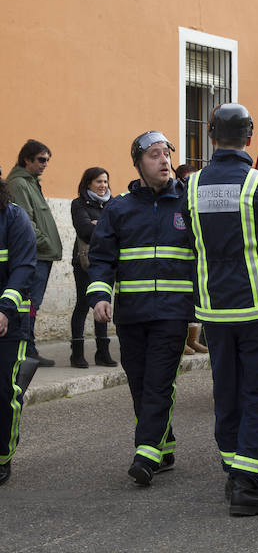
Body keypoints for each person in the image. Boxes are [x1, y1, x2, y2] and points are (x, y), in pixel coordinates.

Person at [183, 103, 258, 516]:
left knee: (225, 390)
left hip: (213, 308)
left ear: (211, 136)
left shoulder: (191, 187)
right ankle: (247, 484)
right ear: (249, 136)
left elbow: (191, 244)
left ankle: (233, 471)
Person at [87, 131, 194, 485]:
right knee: (139, 381)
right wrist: (100, 296)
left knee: (159, 381)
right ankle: (165, 445)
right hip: (132, 313)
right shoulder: (119, 208)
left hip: (173, 312)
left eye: (166, 154)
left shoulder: (187, 203)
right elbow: (101, 258)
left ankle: (146, 453)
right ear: (138, 163)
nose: (164, 161)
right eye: (154, 155)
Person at [7, 140, 62, 367]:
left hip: (42, 254)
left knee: (31, 304)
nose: (45, 164)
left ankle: (29, 347)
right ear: (26, 159)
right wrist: (46, 243)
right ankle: (26, 349)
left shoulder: (31, 182)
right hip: (35, 254)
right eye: (41, 159)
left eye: (48, 160)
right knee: (28, 304)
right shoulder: (19, 183)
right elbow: (26, 223)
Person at [0, 167, 37, 487]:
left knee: (3, 392)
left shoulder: (14, 218)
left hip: (7, 324)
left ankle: (2, 456)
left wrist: (4, 309)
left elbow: (24, 268)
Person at [70, 167, 116, 368]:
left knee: (102, 302)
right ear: (88, 183)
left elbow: (118, 229)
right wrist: (102, 226)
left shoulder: (112, 204)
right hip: (84, 262)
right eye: (98, 181)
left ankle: (102, 352)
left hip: (106, 262)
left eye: (105, 181)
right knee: (82, 305)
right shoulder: (78, 204)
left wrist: (98, 224)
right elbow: (85, 230)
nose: (103, 185)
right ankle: (77, 354)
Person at [173, 164, 207, 356]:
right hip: (179, 261)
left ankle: (193, 340)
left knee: (195, 301)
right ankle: (181, 342)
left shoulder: (199, 198)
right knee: (182, 304)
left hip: (195, 258)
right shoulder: (175, 200)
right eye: (187, 180)